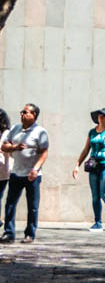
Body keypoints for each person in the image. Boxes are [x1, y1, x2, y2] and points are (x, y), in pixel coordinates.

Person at [0, 103, 50, 243]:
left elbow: (44, 153)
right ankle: (9, 233)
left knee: (32, 207)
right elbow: (4, 145)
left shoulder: (40, 132)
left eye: (25, 112)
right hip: (16, 173)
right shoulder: (15, 129)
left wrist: (36, 169)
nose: (22, 114)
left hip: (32, 175)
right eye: (21, 112)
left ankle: (30, 234)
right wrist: (15, 147)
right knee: (10, 204)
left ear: (33, 115)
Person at [72, 107, 105, 231]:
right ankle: (97, 222)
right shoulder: (92, 132)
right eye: (99, 115)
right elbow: (86, 149)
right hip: (93, 166)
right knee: (95, 196)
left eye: (103, 116)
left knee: (104, 194)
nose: (100, 117)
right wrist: (77, 164)